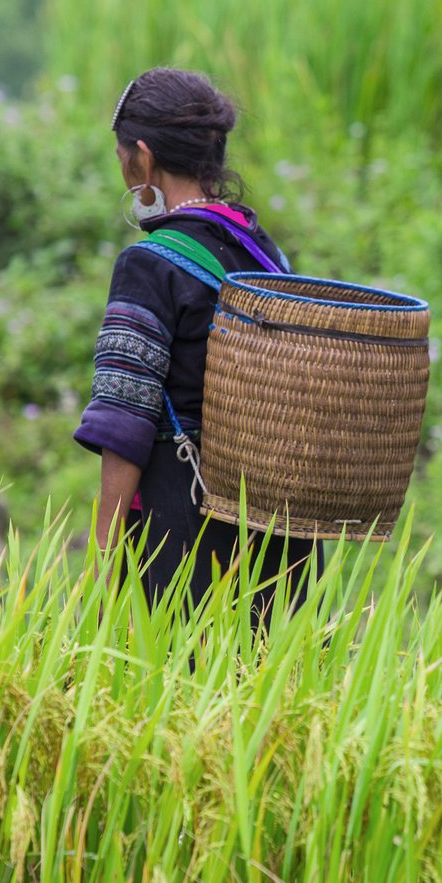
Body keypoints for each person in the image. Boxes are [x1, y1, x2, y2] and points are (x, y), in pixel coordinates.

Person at [73, 67, 317, 610]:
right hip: (280, 539)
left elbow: (124, 420)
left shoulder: (148, 264)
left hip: (183, 535)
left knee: (175, 688)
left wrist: (102, 560)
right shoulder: (266, 253)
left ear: (141, 156)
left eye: (122, 162)